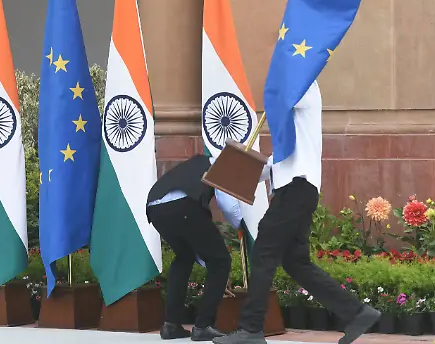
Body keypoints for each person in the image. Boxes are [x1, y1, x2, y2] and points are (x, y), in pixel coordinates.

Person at [214, 82, 379, 344]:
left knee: (265, 252)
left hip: (296, 189)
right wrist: (235, 170)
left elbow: (283, 96)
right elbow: (276, 165)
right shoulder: (292, 131)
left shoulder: (304, 88)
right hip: (295, 189)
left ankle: (251, 329)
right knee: (295, 262)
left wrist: (282, 71)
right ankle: (357, 313)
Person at [147, 153, 247, 341]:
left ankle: (171, 325)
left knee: (184, 257)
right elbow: (228, 206)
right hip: (183, 206)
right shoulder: (223, 166)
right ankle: (203, 325)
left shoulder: (198, 162)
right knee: (220, 260)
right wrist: (242, 226)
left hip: (155, 208)